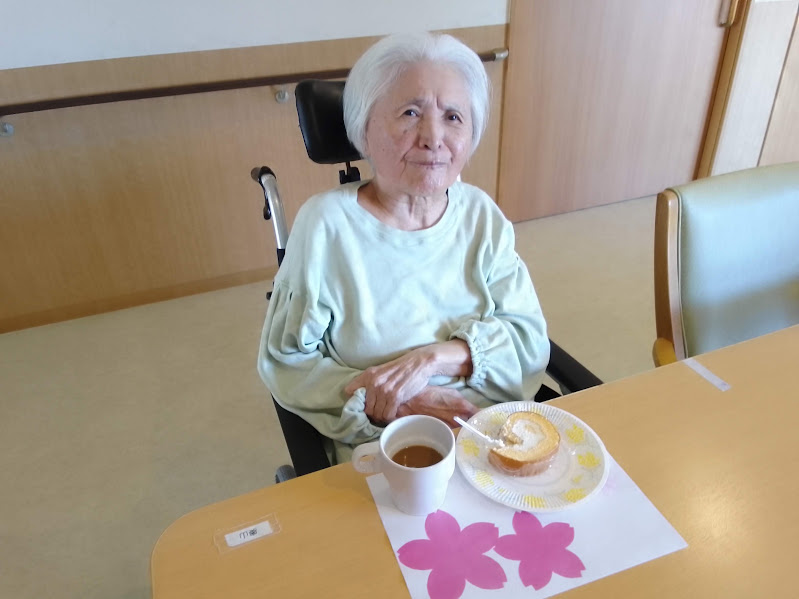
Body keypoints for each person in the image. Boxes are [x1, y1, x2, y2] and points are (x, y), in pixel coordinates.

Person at [257, 32, 549, 463]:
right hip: (387, 442)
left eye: (453, 117)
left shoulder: (480, 216)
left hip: (497, 431)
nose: (433, 137)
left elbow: (530, 342)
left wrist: (432, 360)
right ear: (364, 127)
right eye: (411, 113)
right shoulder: (326, 226)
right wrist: (399, 402)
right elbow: (287, 363)